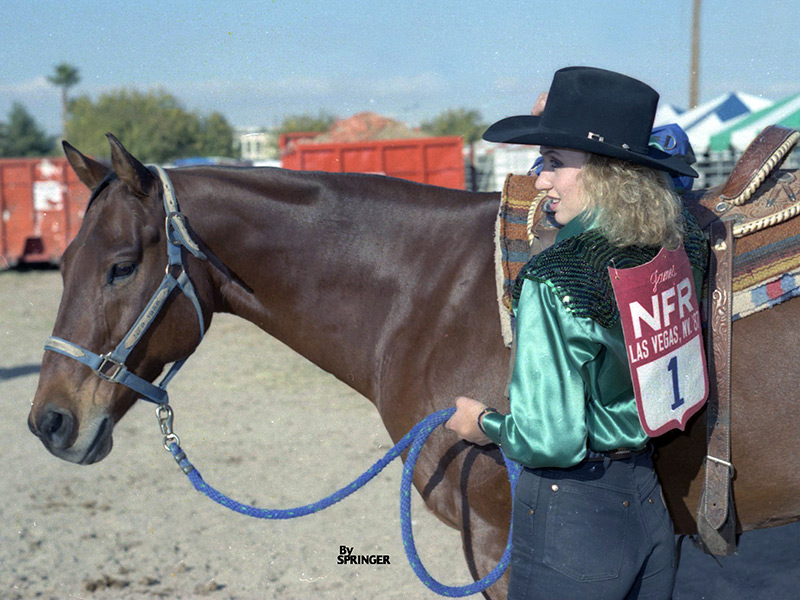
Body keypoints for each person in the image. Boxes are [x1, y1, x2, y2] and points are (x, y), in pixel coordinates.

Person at [445, 66, 708, 600]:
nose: (540, 180)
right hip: (650, 512)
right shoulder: (682, 250)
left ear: (610, 174)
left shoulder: (555, 278)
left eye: (555, 163)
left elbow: (549, 439)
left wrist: (484, 424)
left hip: (575, 522)